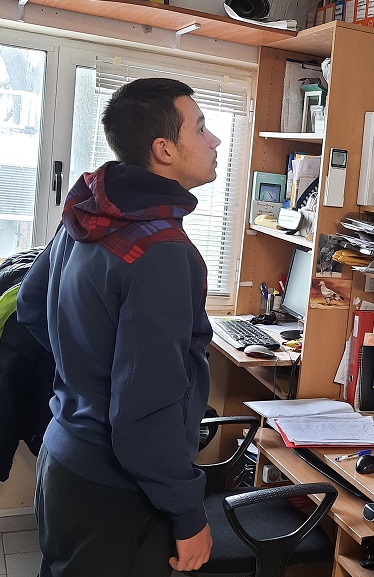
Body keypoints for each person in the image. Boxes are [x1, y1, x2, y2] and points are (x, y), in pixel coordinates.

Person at [17, 78, 221, 577]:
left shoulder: (90, 213)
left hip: (64, 457)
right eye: (200, 127)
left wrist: (84, 375)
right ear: (163, 149)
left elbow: (31, 306)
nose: (214, 140)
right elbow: (145, 408)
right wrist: (189, 512)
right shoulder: (162, 251)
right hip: (118, 490)